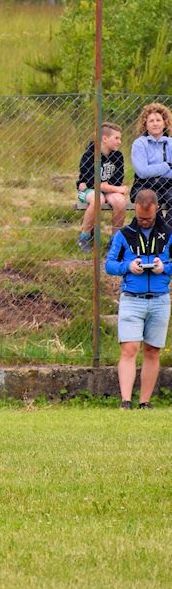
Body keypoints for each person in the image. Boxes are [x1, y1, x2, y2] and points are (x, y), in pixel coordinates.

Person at [105, 188, 172, 409]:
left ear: (156, 211)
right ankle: (125, 401)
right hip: (132, 299)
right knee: (129, 349)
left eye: (150, 218)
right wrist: (128, 267)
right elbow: (109, 264)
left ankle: (145, 402)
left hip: (160, 300)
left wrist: (165, 268)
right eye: (142, 218)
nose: (145, 222)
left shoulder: (168, 233)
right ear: (136, 211)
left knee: (152, 351)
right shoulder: (123, 234)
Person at [77, 123, 129, 252]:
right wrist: (109, 187)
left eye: (120, 138)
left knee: (120, 201)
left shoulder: (118, 156)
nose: (119, 142)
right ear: (104, 139)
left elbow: (117, 180)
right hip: (89, 191)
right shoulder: (89, 155)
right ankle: (85, 236)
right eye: (116, 138)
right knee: (98, 199)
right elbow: (89, 182)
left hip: (108, 190)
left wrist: (106, 186)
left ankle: (115, 239)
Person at [130, 103, 172, 215]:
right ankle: (154, 231)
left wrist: (153, 170)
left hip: (169, 184)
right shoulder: (139, 144)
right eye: (151, 121)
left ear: (165, 123)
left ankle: (167, 231)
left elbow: (148, 169)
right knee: (150, 201)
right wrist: (167, 166)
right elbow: (143, 172)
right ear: (145, 125)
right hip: (145, 185)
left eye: (158, 120)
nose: (155, 124)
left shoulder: (170, 143)